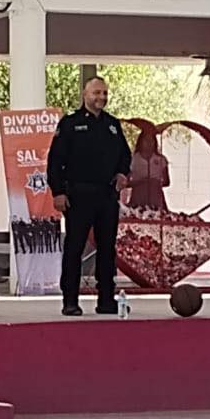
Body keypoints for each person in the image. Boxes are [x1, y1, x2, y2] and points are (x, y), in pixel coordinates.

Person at [48, 76, 132, 316]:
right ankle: (70, 301)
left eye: (104, 93)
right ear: (85, 95)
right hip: (78, 195)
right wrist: (58, 192)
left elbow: (125, 156)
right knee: (75, 247)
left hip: (106, 195)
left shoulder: (112, 125)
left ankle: (106, 300)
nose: (101, 97)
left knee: (107, 249)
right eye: (96, 93)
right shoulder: (70, 124)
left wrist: (122, 173)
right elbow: (55, 161)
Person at [125, 129, 171, 210]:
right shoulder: (133, 159)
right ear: (141, 142)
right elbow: (126, 183)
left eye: (151, 140)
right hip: (138, 198)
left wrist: (155, 183)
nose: (149, 143)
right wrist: (141, 182)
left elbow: (167, 182)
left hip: (156, 198)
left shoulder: (161, 159)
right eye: (146, 140)